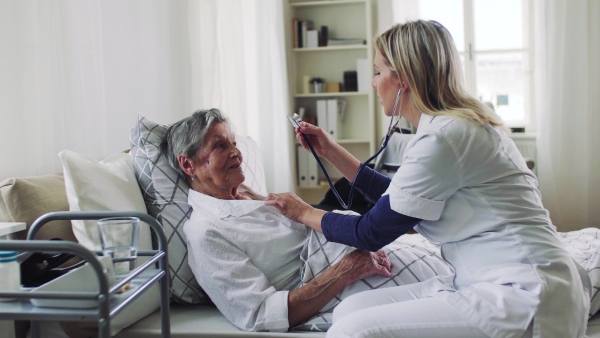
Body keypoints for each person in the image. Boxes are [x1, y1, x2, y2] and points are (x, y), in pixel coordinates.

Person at [265, 20, 590, 337]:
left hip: (523, 291)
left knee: (352, 330)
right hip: (482, 277)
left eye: (378, 72)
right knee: (346, 312)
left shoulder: (445, 137)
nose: (374, 82)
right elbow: (399, 197)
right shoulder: (448, 127)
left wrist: (303, 212)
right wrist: (332, 152)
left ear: (403, 79)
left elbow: (371, 232)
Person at [160, 108, 450, 332]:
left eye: (234, 143)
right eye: (221, 146)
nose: (237, 152)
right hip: (349, 276)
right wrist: (345, 271)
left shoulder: (245, 195)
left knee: (448, 263)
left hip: (366, 252)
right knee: (453, 292)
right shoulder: (205, 232)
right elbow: (259, 314)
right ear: (188, 164)